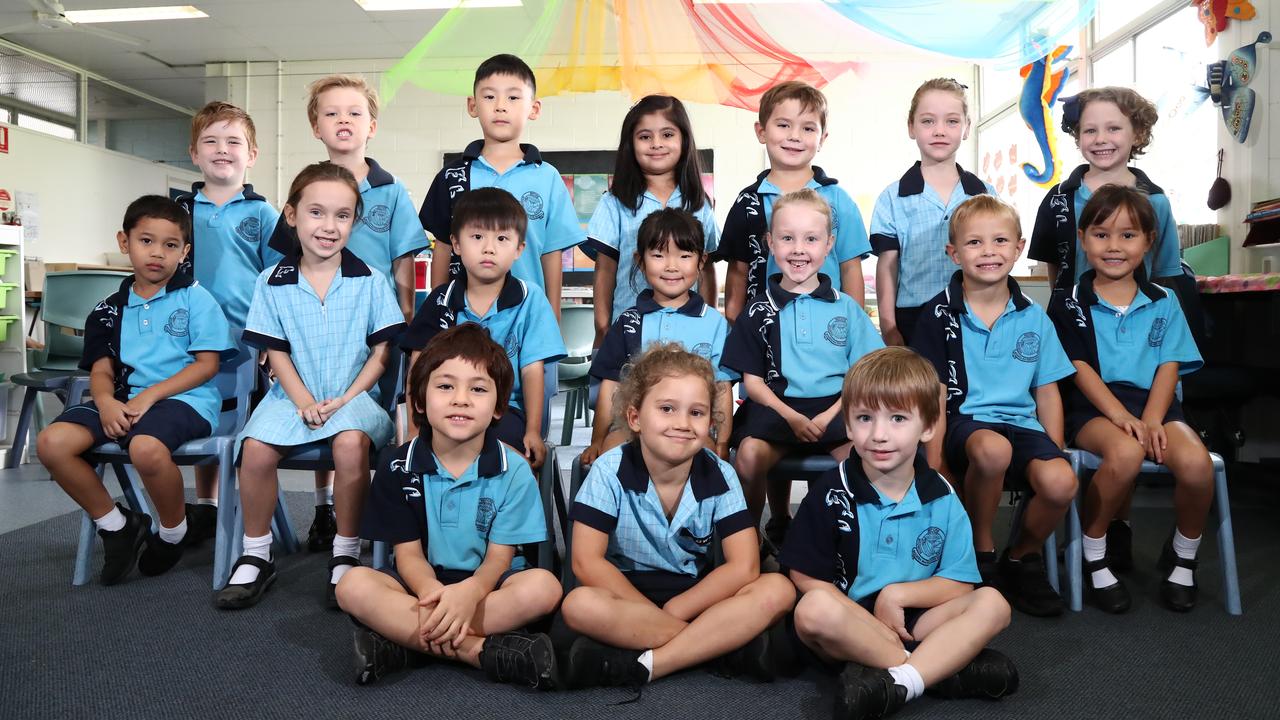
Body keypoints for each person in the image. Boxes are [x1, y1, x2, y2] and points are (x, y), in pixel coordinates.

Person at [781, 347, 1017, 720]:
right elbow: (806, 577)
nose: (879, 434)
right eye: (864, 418)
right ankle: (937, 670)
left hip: (915, 618)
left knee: (994, 604)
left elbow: (959, 582)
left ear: (928, 426)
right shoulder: (829, 492)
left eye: (897, 418)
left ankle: (901, 680)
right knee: (811, 611)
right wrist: (871, 623)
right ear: (847, 424)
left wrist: (898, 594)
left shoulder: (943, 495)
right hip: (851, 621)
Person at [216, 162, 406, 611]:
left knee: (350, 445)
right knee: (256, 449)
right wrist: (301, 401)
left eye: (342, 215)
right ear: (291, 215)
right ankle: (256, 553)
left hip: (355, 397)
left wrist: (344, 398)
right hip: (290, 398)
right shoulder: (271, 282)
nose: (329, 226)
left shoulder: (372, 282)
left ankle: (345, 550)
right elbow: (276, 353)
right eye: (316, 213)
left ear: (354, 222)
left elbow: (381, 355)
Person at [336, 324, 562, 688]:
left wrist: (470, 593)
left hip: (489, 587)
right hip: (420, 587)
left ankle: (406, 645)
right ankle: (480, 652)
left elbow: (498, 560)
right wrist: (431, 593)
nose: (461, 399)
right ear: (420, 402)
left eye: (478, 389)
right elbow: (407, 557)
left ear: (499, 407)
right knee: (352, 585)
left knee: (544, 588)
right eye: (445, 386)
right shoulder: (397, 465)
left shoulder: (515, 469)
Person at [561, 343, 796, 691]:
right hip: (624, 593)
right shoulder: (608, 471)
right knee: (578, 605)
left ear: (711, 423)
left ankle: (650, 661)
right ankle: (717, 646)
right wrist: (656, 613)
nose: (682, 424)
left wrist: (675, 610)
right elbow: (586, 562)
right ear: (635, 418)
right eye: (667, 409)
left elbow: (744, 566)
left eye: (697, 413)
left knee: (778, 588)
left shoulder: (721, 473)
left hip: (697, 595)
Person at [268, 74, 429, 554]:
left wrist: (400, 316)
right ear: (315, 126)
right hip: (312, 324)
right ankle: (324, 507)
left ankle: (360, 518)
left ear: (372, 125)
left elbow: (404, 258)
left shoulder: (391, 190)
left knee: (354, 415)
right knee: (316, 401)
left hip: (370, 326)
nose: (344, 120)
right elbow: (284, 260)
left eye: (355, 113)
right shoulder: (306, 189)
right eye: (332, 113)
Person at [37, 195, 234, 584]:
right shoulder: (107, 309)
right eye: (146, 241)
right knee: (52, 444)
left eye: (170, 244)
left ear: (185, 251)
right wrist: (107, 402)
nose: (157, 253)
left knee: (145, 447)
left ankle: (174, 531)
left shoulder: (197, 298)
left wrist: (150, 396)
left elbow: (207, 365)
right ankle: (116, 525)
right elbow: (101, 371)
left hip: (185, 400)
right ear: (124, 242)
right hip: (122, 400)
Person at [910, 194, 1078, 617]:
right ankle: (980, 553)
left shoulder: (1035, 318)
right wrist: (934, 463)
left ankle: (1020, 557)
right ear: (953, 253)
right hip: (966, 426)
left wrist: (1053, 448)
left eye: (1000, 241)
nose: (989, 252)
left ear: (1019, 248)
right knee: (992, 449)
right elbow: (931, 396)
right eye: (975, 243)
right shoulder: (938, 316)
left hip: (1023, 427)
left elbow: (1047, 389)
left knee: (1061, 481)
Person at [1048, 185, 1212, 613]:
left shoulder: (1164, 300)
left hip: (1156, 405)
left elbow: (1169, 364)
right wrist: (1122, 417)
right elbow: (1078, 369)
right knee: (1124, 454)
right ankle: (1094, 548)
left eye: (1128, 235)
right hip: (1094, 408)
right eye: (1101, 235)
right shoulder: (1067, 303)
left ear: (1148, 242)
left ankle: (1183, 555)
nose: (1114, 246)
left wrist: (1155, 419)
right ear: (1083, 239)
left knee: (1196, 465)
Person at [721, 189, 883, 544]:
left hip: (836, 409)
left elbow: (863, 375)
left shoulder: (847, 308)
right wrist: (792, 417)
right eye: (787, 238)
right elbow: (754, 383)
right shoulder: (756, 310)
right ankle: (748, 543)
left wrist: (827, 418)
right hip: (775, 409)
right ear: (770, 243)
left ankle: (841, 540)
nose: (798, 249)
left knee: (873, 456)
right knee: (747, 457)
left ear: (829, 245)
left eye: (811, 239)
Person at [400, 188, 565, 470]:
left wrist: (534, 430)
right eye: (477, 237)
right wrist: (414, 429)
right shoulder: (440, 299)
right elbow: (418, 366)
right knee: (427, 459)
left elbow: (532, 370)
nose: (489, 248)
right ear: (456, 244)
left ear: (519, 249)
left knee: (509, 459)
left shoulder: (531, 298)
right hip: (444, 408)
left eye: (502, 239)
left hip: (505, 410)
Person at [175, 100, 282, 532]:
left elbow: (278, 280)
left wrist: (266, 340)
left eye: (234, 141)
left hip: (245, 342)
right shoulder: (178, 213)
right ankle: (206, 504)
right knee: (204, 410)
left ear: (251, 154)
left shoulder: (263, 213)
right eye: (211, 141)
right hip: (186, 338)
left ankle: (251, 513)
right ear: (194, 153)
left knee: (241, 424)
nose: (223, 149)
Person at [422, 53, 584, 321]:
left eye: (513, 97)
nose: (500, 106)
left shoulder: (548, 177)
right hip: (464, 321)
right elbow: (442, 249)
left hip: (528, 320)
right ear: (472, 106)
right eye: (489, 97)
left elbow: (551, 255)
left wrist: (551, 319)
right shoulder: (452, 177)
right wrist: (438, 316)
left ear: (534, 109)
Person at [583, 208, 734, 465]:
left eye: (685, 256)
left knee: (709, 460)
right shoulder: (629, 322)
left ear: (701, 262)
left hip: (691, 429)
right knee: (609, 452)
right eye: (658, 255)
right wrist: (597, 440)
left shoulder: (715, 324)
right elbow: (611, 385)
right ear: (640, 261)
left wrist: (722, 441)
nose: (671, 266)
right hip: (635, 428)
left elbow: (722, 387)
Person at [717, 81, 870, 323]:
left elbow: (850, 268)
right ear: (761, 131)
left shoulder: (839, 199)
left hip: (828, 327)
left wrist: (855, 325)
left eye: (808, 129)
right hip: (763, 329)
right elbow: (738, 271)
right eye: (783, 125)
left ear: (822, 139)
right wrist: (735, 324)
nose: (795, 136)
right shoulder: (748, 202)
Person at [585, 94, 719, 346]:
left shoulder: (699, 203)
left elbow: (707, 268)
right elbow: (604, 269)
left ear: (684, 140)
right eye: (645, 137)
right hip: (628, 334)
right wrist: (603, 329)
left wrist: (708, 322)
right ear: (631, 144)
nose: (656, 144)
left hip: (687, 333)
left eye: (667, 135)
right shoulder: (614, 203)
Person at [870, 78, 994, 346]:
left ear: (966, 127)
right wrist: (889, 327)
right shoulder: (892, 198)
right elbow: (887, 266)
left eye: (951, 121)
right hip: (912, 319)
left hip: (976, 315)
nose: (940, 131)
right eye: (928, 121)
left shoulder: (985, 194)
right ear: (911, 127)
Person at [1028, 86, 1181, 291]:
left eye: (1113, 128)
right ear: (1078, 137)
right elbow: (1054, 267)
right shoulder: (1058, 199)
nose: (1100, 139)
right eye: (1090, 130)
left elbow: (1165, 273)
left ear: (1137, 134)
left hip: (1138, 319)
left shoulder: (1156, 201)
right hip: (1072, 319)